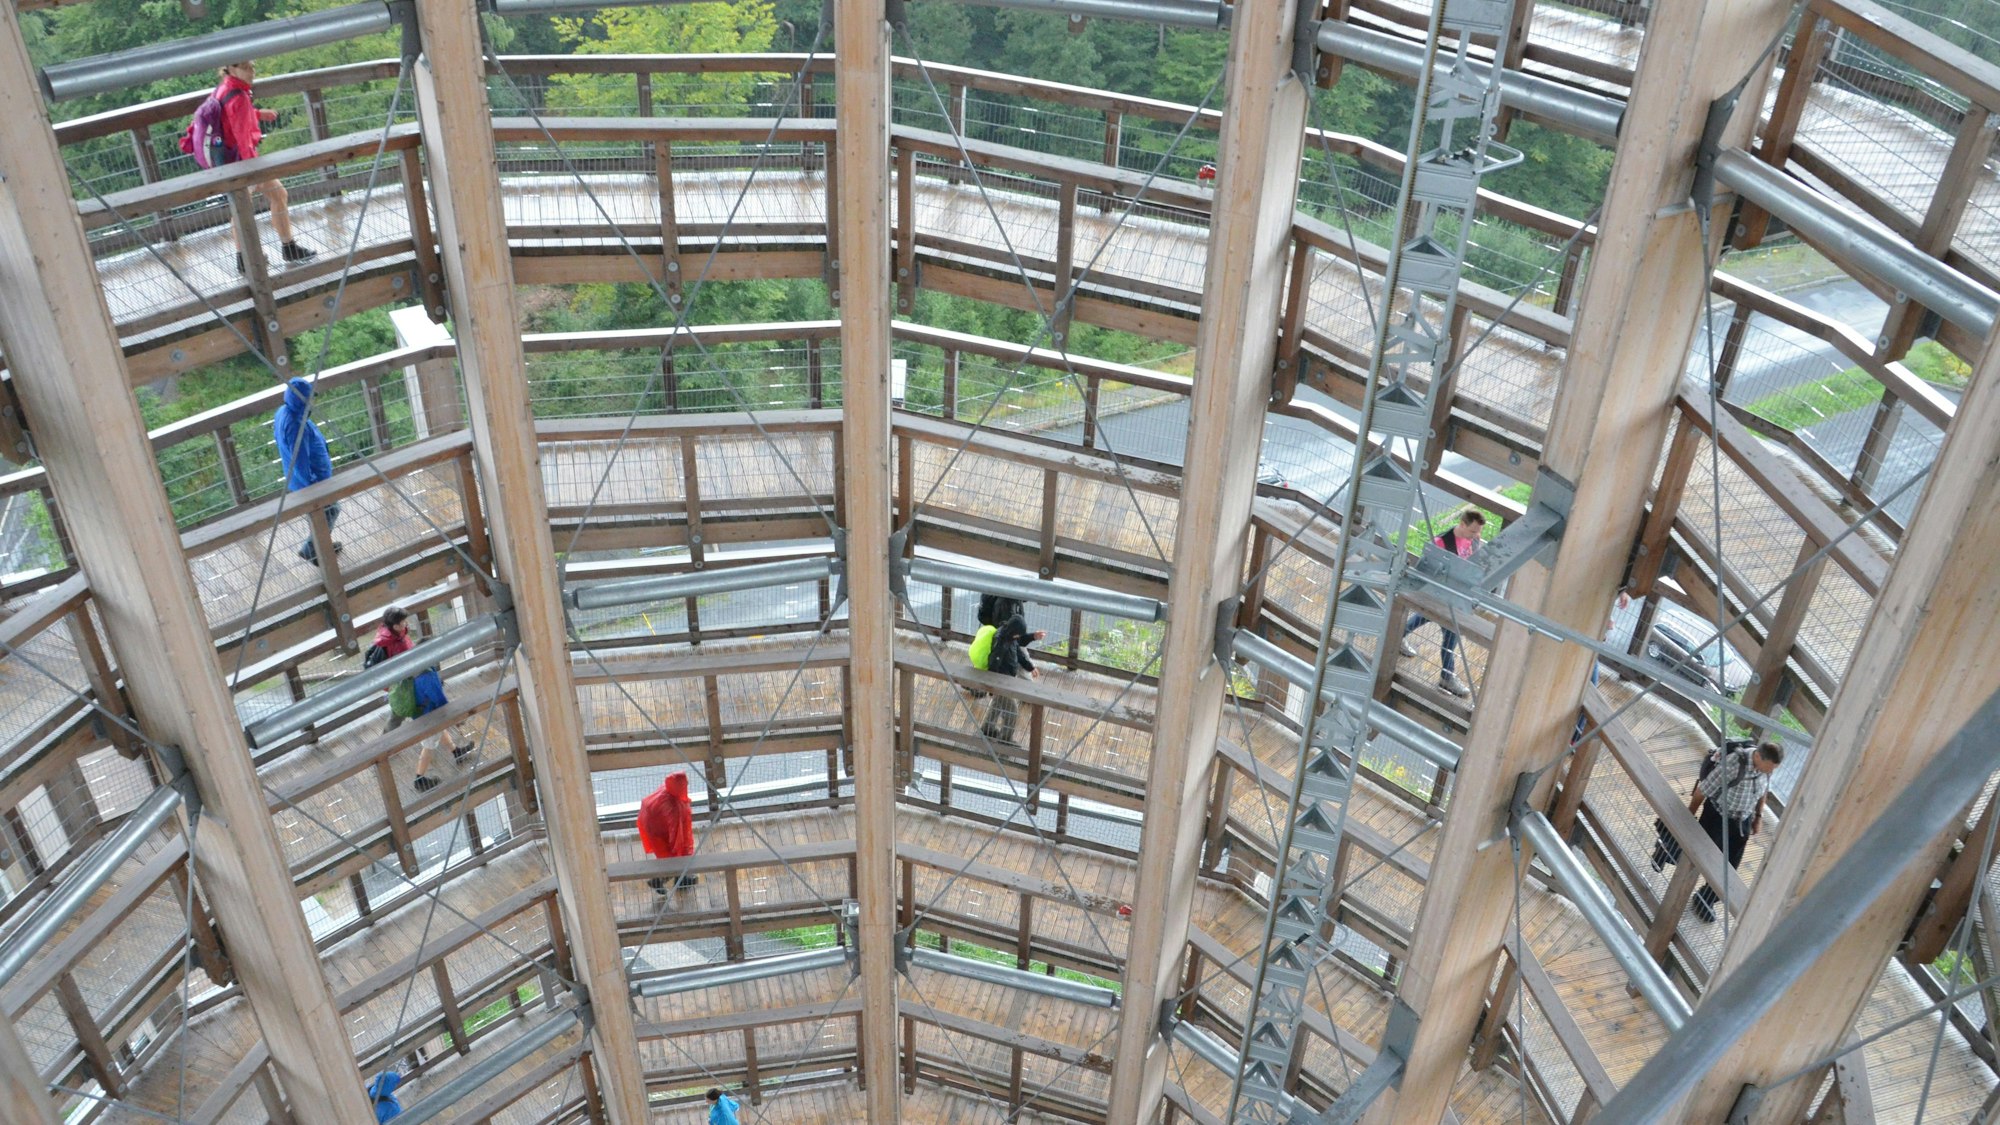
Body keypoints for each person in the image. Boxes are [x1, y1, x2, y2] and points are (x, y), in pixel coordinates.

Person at [203, 60, 317, 267]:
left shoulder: (225, 88)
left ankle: (262, 255)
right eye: (245, 68)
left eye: (252, 67)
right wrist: (252, 172)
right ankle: (256, 257)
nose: (251, 72)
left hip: (230, 161)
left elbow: (232, 117)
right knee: (244, 207)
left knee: (266, 198)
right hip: (241, 162)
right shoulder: (237, 95)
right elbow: (241, 135)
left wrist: (258, 114)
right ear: (231, 69)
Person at [1686, 740, 1783, 923]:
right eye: (1769, 768)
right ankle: (1665, 851)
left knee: (1729, 868)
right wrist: (1687, 816)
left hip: (1741, 822)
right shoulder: (1733, 764)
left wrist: (1758, 816)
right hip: (1717, 816)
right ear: (1757, 756)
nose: (1771, 772)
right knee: (1697, 854)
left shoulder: (1765, 769)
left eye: (1773, 769)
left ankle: (1705, 900)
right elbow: (1704, 789)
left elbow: (1764, 791)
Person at [1397, 509, 1486, 697]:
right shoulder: (1441, 543)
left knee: (1424, 620)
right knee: (1451, 636)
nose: (1476, 536)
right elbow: (1428, 570)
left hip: (1455, 598)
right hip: (1440, 598)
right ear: (1462, 524)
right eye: (1473, 531)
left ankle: (1397, 637)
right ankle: (1447, 677)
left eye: (1478, 532)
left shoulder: (1474, 540)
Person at [275, 378, 339, 565]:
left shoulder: (285, 412)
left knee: (321, 514)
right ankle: (311, 550)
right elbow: (301, 459)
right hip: (313, 481)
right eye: (309, 397)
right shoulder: (296, 424)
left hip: (303, 479)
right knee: (330, 510)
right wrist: (313, 485)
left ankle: (321, 546)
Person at [981, 605, 1042, 746]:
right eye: (1018, 635)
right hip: (1001, 681)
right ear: (1014, 632)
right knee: (1012, 711)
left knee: (997, 704)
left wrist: (1030, 666)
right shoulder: (1001, 642)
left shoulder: (1009, 636)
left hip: (1006, 679)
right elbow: (993, 663)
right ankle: (1005, 739)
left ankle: (987, 728)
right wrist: (991, 686)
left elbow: (1018, 653)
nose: (1018, 637)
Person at [639, 772, 698, 894]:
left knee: (669, 858)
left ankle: (680, 879)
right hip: (661, 834)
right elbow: (676, 834)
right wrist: (679, 849)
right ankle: (661, 880)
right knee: (674, 859)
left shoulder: (665, 791)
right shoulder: (673, 807)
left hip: (655, 830)